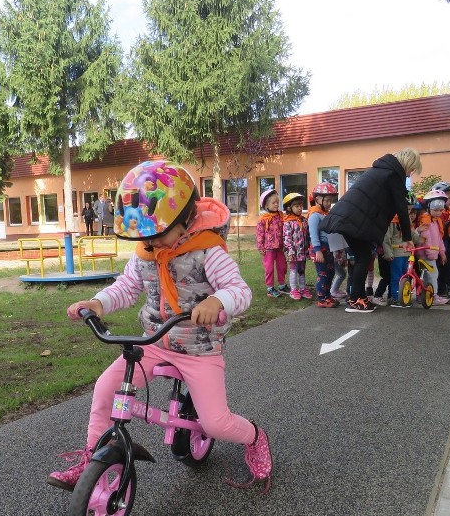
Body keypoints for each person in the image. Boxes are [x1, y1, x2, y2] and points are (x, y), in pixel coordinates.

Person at [48, 160, 272, 493]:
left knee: (215, 422)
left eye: (156, 234)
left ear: (186, 219)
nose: (151, 245)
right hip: (155, 343)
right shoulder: (146, 253)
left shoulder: (207, 251)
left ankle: (254, 436)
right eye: (144, 238)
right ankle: (91, 457)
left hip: (199, 349)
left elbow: (240, 290)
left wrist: (217, 302)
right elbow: (126, 287)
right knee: (105, 388)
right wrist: (98, 303)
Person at [320, 147, 421, 313]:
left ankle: (359, 297)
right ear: (407, 164)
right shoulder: (393, 175)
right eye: (411, 170)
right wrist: (407, 238)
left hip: (348, 217)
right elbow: (402, 208)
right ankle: (356, 299)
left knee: (363, 256)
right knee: (363, 257)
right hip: (353, 219)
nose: (409, 174)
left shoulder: (380, 170)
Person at [378, 201, 420, 307]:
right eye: (406, 209)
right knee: (396, 277)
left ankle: (405, 296)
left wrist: (419, 238)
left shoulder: (407, 220)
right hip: (396, 254)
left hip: (407, 253)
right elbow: (386, 238)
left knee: (406, 276)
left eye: (410, 209)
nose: (408, 212)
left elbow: (412, 234)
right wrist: (388, 253)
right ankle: (395, 298)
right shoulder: (392, 221)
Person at [307, 183, 339, 307]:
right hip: (320, 248)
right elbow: (313, 235)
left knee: (330, 273)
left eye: (331, 201)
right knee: (323, 274)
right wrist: (318, 250)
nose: (329, 203)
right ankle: (321, 298)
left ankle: (327, 295)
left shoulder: (325, 214)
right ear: (318, 199)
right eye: (327, 201)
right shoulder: (315, 215)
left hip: (329, 247)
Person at [415, 194, 450, 305]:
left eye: (441, 210)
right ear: (429, 207)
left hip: (433, 253)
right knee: (432, 275)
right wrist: (431, 253)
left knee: (428, 276)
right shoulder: (426, 221)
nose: (438, 213)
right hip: (426, 253)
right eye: (436, 210)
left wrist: (442, 252)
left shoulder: (436, 221)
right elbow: (426, 239)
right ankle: (433, 296)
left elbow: (439, 238)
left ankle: (426, 295)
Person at [255, 188, 287, 298]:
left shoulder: (281, 216)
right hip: (268, 248)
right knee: (269, 268)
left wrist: (286, 244)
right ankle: (270, 288)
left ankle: (282, 285)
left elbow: (285, 230)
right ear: (266, 205)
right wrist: (260, 247)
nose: (276, 204)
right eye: (273, 203)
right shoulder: (263, 219)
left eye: (277, 202)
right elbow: (260, 234)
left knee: (282, 266)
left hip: (280, 247)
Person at [282, 192, 312, 300]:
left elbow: (308, 235)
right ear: (289, 208)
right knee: (294, 270)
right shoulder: (287, 222)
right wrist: (290, 251)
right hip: (294, 252)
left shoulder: (304, 220)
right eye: (296, 206)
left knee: (302, 270)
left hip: (303, 251)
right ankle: (293, 289)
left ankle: (303, 288)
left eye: (301, 206)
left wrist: (309, 248)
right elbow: (287, 237)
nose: (300, 208)